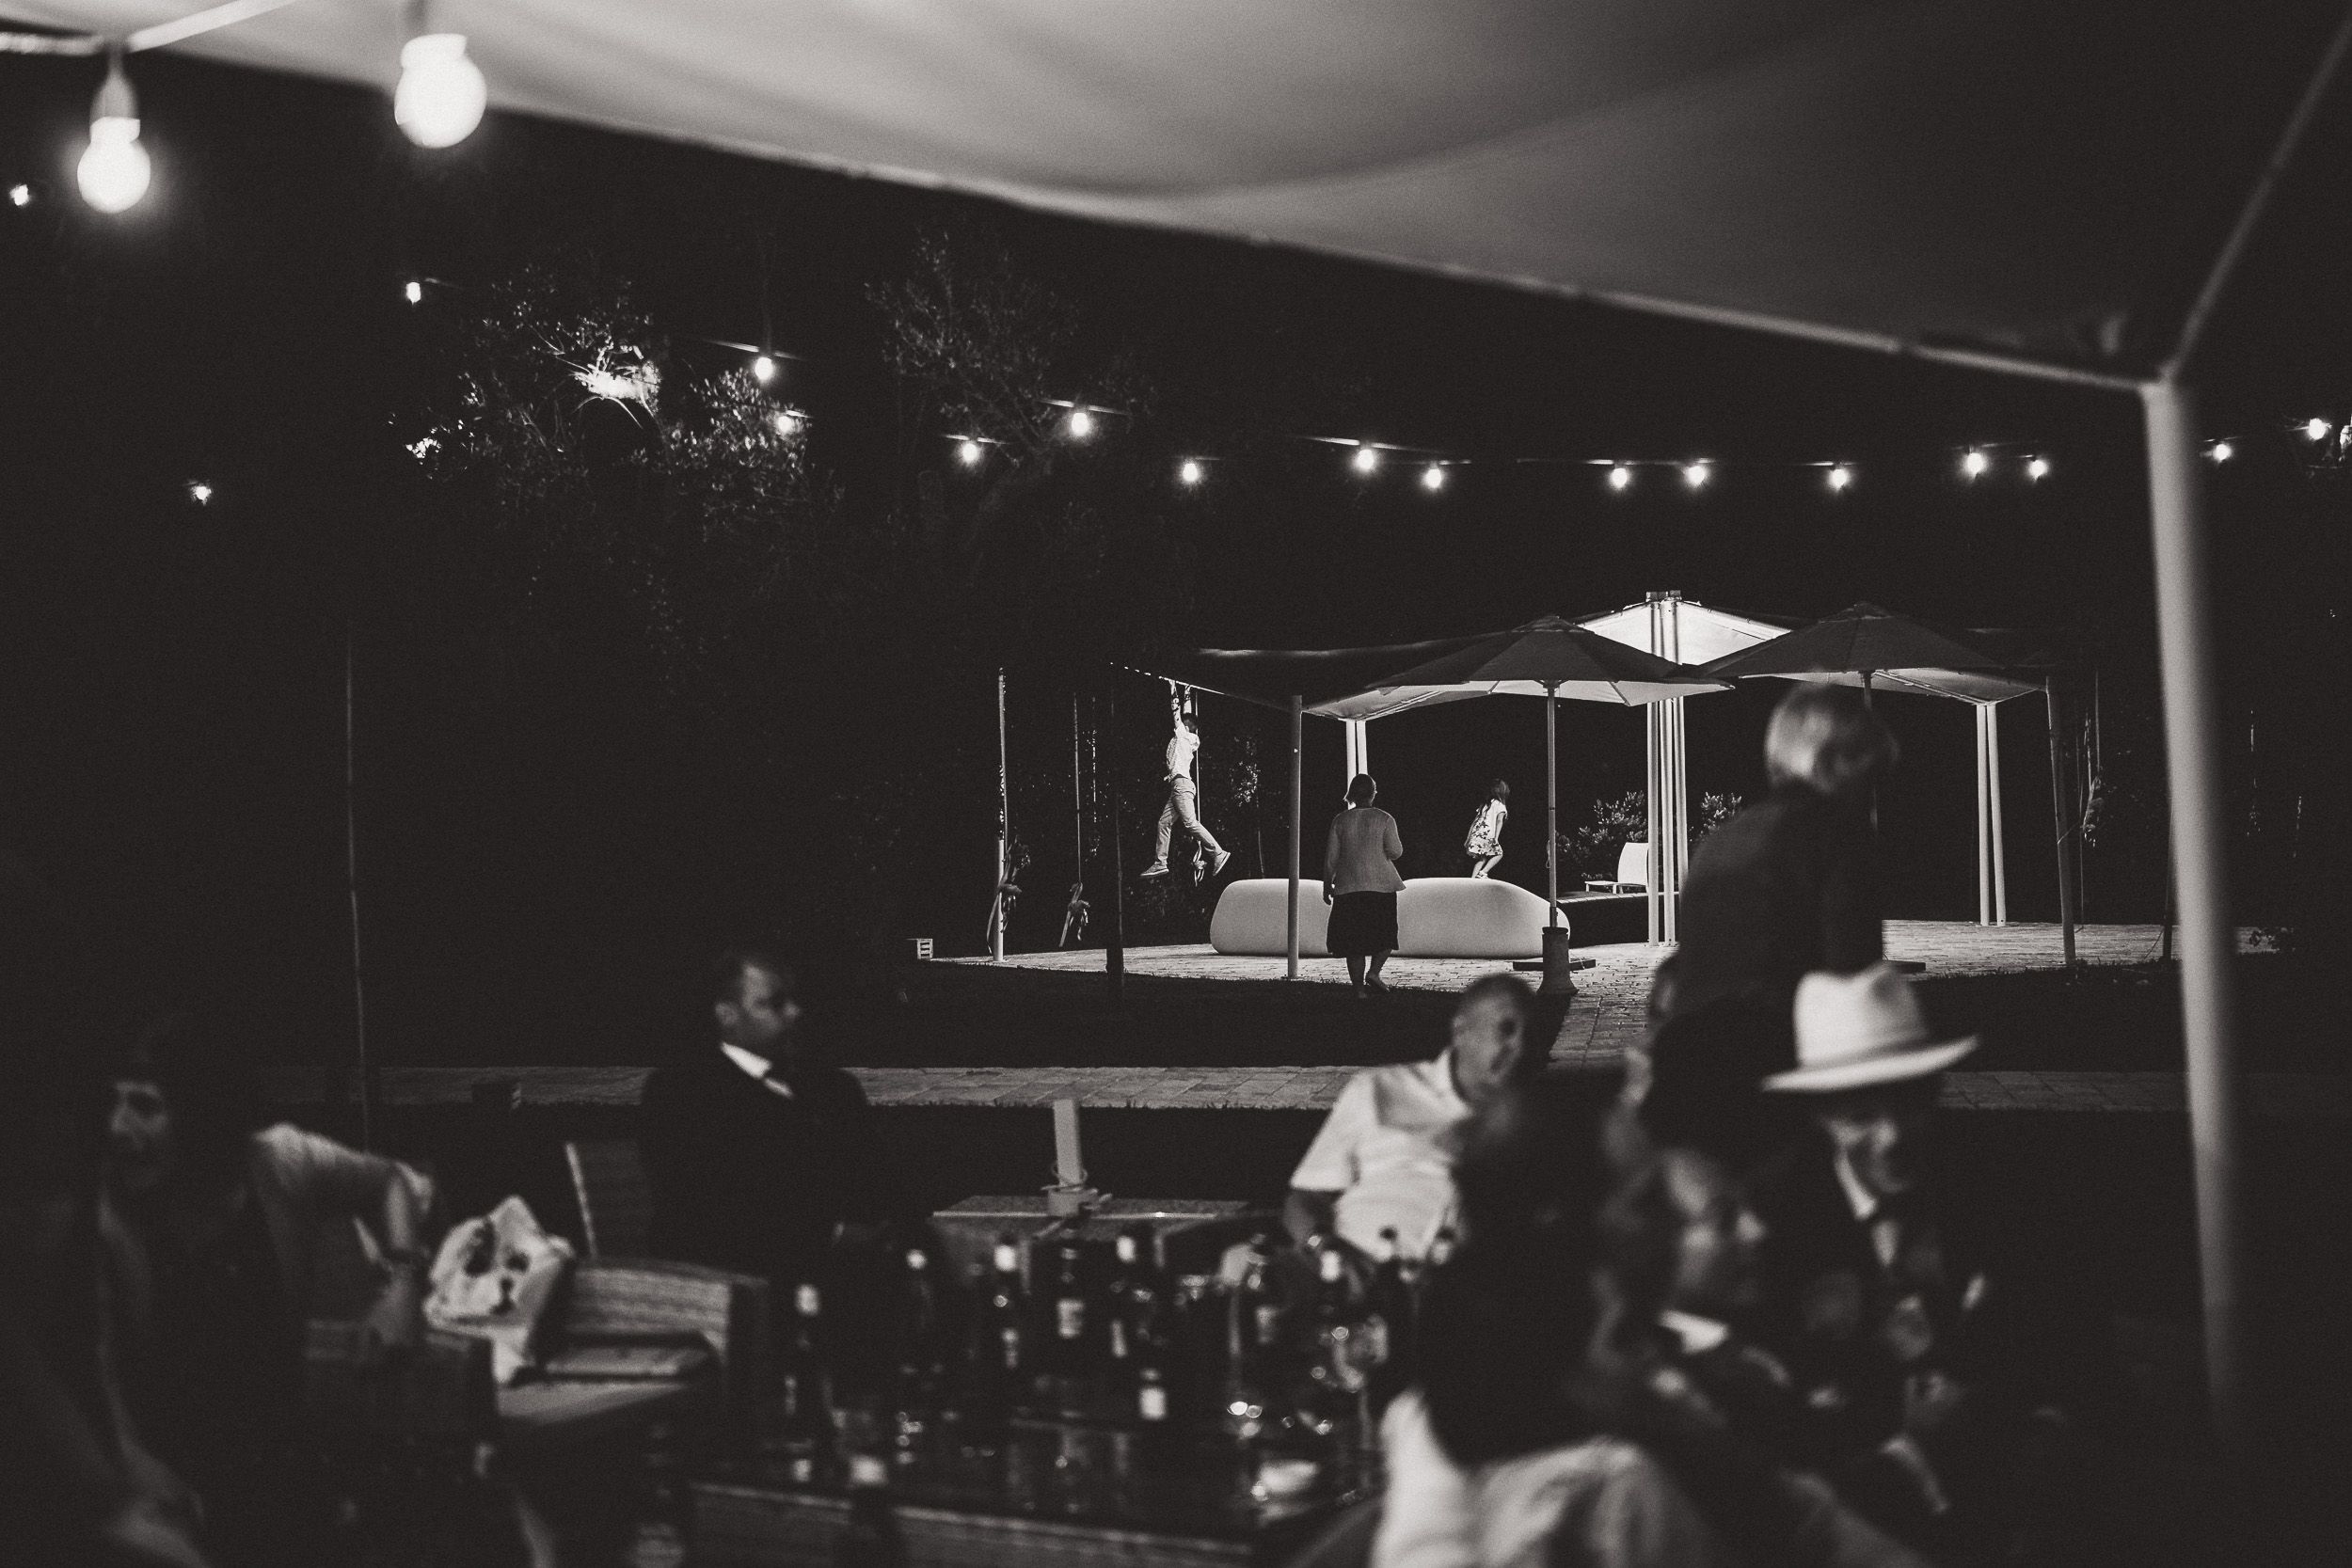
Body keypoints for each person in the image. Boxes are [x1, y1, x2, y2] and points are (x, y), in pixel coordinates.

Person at [1375, 1080, 1926, 1568]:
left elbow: (1801, 1522)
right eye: (1646, 1201)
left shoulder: (1653, 1377)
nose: (1673, 1225)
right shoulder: (1595, 1478)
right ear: (1560, 1226)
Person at [1748, 965, 2098, 1560]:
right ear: (1816, 1116)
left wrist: (2051, 1432)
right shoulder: (1774, 1223)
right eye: (1859, 1114)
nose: (1891, 1136)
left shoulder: (2003, 1188)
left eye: (1908, 1103)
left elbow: (2077, 1351)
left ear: (1935, 1092)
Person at [101, 1016, 431, 1567]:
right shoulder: (108, 1219)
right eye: (113, 1102)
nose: (117, 1127)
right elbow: (97, 1380)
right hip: (167, 1496)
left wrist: (402, 1288)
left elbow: (390, 1181)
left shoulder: (280, 1162)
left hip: (281, 1475)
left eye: (145, 1106)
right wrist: (138, 1472)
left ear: (204, 1113)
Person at [1638, 682, 1896, 1118]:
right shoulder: (1835, 834)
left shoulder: (1720, 840)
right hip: (1777, 1076)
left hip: (1684, 1076)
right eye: (1869, 775)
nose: (1870, 794)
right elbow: (1853, 979)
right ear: (1838, 761)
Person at [640, 943, 914, 1296]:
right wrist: (834, 1233)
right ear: (727, 1014)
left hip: (854, 1270)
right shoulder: (684, 1093)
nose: (794, 1012)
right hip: (737, 1283)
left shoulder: (832, 1088)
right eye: (774, 1003)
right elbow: (708, 1211)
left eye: (793, 1000)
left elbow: (880, 1179)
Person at [1284, 974, 1535, 1261]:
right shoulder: (1381, 1090)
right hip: (1356, 1267)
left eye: (1531, 1033)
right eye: (1506, 1029)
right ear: (1461, 1031)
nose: (1521, 1046)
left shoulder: (1543, 1121)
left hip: (1468, 1288)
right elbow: (1305, 1197)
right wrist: (1328, 1254)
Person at [1325, 772, 1406, 996]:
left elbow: (1331, 858)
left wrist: (1326, 885)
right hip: (1381, 886)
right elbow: (1396, 851)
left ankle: (1359, 991)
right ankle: (1374, 972)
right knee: (1386, 935)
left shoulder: (1340, 821)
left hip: (1348, 888)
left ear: (1351, 794)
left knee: (1354, 943)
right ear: (1373, 793)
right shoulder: (1385, 818)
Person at [1140, 684, 1230, 881]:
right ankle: (1160, 862)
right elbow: (1186, 714)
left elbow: (1177, 712)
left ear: (1186, 726)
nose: (1177, 724)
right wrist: (1187, 691)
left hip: (1181, 787)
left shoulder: (1182, 734)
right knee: (1164, 822)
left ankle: (1218, 852)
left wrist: (1172, 687)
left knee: (1190, 823)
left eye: (1182, 723)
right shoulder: (1187, 739)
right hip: (1178, 786)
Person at [1463, 779, 1509, 878]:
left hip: (1476, 835)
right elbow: (1499, 821)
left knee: (1482, 859)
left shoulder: (1485, 804)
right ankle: (1483, 873)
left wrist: (1468, 838)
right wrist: (1496, 838)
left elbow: (1474, 822)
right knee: (1499, 854)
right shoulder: (1500, 805)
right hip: (1487, 834)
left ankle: (1473, 880)